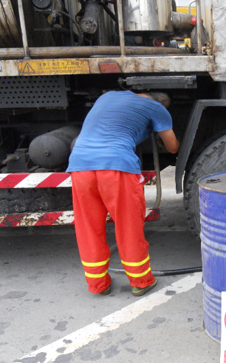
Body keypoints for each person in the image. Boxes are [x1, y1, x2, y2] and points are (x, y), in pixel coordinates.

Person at [67, 91, 180, 296]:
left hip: (80, 166)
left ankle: (98, 285)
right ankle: (141, 281)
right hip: (117, 166)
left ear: (140, 93)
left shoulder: (107, 97)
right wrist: (158, 132)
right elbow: (172, 147)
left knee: (88, 227)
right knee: (128, 225)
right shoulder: (156, 109)